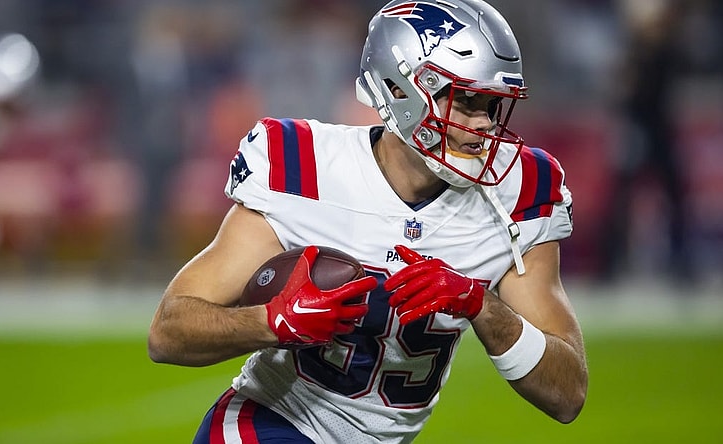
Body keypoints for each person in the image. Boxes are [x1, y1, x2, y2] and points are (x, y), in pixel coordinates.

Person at [148, 1, 588, 442]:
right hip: (271, 425)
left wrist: (484, 308)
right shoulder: (305, 169)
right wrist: (270, 322)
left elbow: (567, 395)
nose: (482, 127)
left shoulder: (520, 190)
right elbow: (169, 331)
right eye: (465, 101)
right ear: (400, 90)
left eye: (493, 107)